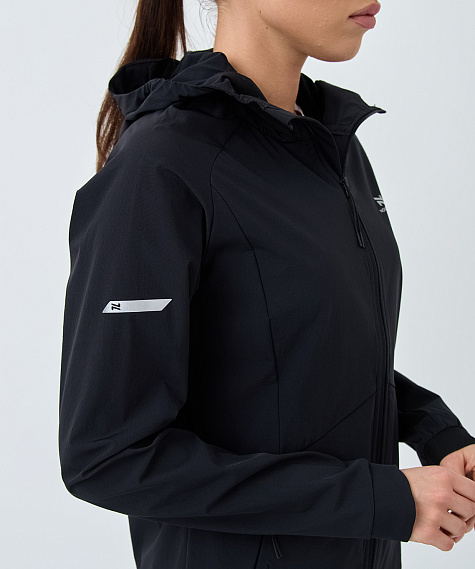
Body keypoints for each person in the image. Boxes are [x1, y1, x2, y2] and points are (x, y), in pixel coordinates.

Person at [58, 1, 475, 568]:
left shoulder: (332, 147)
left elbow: (298, 356)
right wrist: (381, 500)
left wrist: (436, 430)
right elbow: (109, 456)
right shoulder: (161, 164)